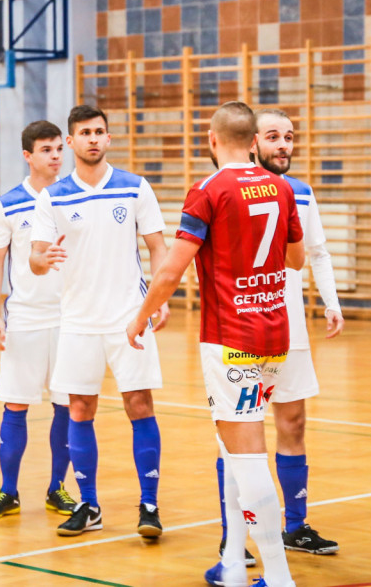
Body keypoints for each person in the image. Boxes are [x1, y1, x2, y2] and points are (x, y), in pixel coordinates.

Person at [127, 101, 303, 587]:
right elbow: (297, 257)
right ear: (253, 141)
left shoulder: (207, 190)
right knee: (231, 447)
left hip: (231, 338)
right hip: (274, 333)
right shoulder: (282, 187)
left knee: (246, 454)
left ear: (212, 139)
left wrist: (139, 317)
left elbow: (170, 270)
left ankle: (279, 575)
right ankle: (231, 564)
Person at [30, 104, 170, 538]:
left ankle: (149, 505)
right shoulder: (51, 197)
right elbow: (35, 257)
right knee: (79, 408)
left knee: (140, 406)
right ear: (70, 142)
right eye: (84, 133)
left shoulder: (134, 187)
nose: (93, 139)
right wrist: (41, 260)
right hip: (77, 321)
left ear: (109, 139)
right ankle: (89, 505)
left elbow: (158, 247)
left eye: (100, 132)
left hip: (130, 317)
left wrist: (159, 298)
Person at [249, 108, 343, 556]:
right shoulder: (234, 189)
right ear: (253, 142)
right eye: (274, 137)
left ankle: (295, 526)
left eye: (289, 137)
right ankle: (240, 533)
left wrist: (331, 302)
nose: (284, 145)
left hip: (290, 328)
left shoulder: (301, 193)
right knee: (241, 434)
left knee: (293, 422)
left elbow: (318, 253)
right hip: (244, 329)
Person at [0, 121, 78, 521]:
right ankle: (8, 490)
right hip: (26, 318)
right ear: (28, 156)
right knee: (15, 405)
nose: (55, 156)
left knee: (66, 407)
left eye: (58, 149)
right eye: (47, 150)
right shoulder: (8, 203)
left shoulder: (75, 197)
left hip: (71, 318)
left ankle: (57, 488)